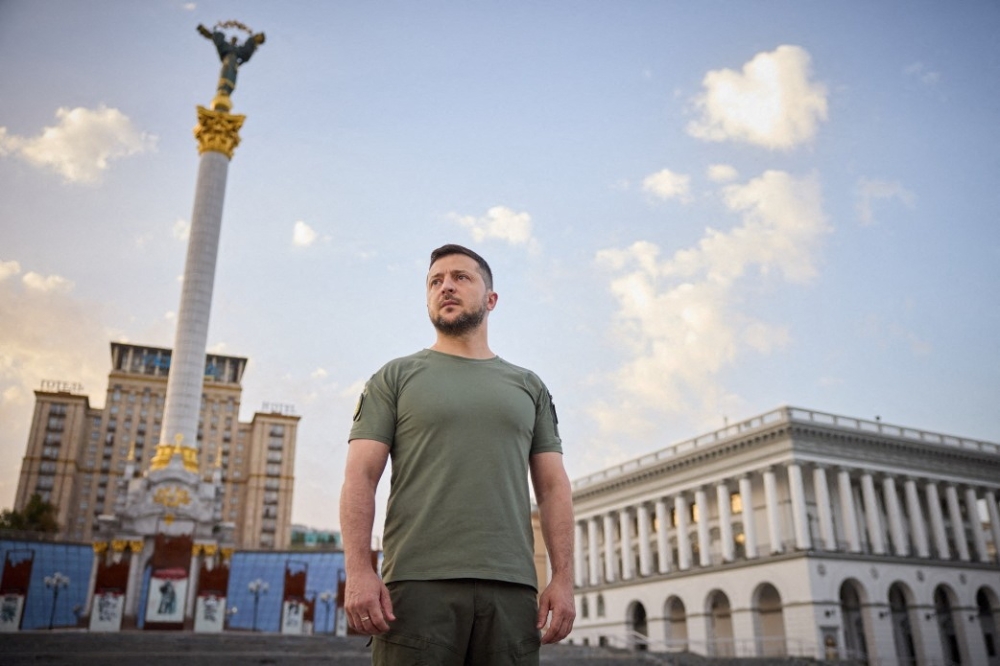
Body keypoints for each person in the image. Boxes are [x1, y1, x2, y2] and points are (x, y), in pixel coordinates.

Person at [340, 244, 576, 665]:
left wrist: (563, 579)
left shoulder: (529, 386)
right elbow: (360, 477)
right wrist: (359, 570)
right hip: (415, 587)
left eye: (460, 277)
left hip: (511, 588)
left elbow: (554, 488)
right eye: (435, 281)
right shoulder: (394, 377)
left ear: (491, 299)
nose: (445, 286)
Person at [197, 24, 265, 103]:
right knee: (227, 69)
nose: (234, 40)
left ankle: (225, 90)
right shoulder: (227, 46)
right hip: (229, 58)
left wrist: (254, 42)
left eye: (259, 38)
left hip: (232, 61)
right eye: (258, 36)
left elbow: (247, 53)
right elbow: (218, 40)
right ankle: (222, 90)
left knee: (230, 71)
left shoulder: (242, 49)